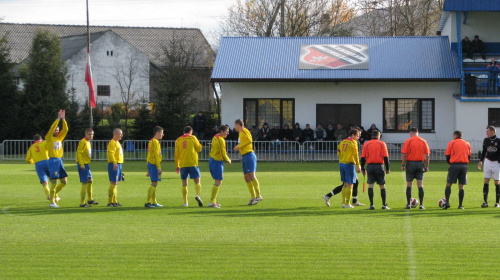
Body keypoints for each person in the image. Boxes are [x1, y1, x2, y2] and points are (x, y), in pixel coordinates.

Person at [233, 119, 263, 205]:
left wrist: (239, 146)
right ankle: (253, 197)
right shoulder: (240, 133)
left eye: (235, 125)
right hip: (244, 156)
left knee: (252, 175)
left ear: (239, 124)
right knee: (246, 177)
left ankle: (258, 196)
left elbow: (250, 140)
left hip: (249, 155)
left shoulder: (244, 130)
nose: (234, 127)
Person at [401, 127, 430, 210]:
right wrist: (426, 166)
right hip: (420, 164)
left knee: (409, 184)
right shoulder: (423, 141)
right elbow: (427, 155)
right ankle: (421, 204)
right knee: (420, 185)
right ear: (418, 132)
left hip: (410, 163)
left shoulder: (408, 141)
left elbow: (404, 155)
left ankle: (408, 204)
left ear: (411, 133)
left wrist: (403, 165)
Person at [360, 130, 390, 210]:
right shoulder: (382, 144)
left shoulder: (366, 144)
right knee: (382, 185)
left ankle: (372, 205)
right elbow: (385, 157)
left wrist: (362, 168)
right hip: (379, 166)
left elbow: (362, 158)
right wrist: (388, 168)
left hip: (370, 166)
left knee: (370, 185)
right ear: (378, 136)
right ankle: (384, 204)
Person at [175, 126, 203, 207]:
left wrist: (177, 165)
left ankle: (185, 202)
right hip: (192, 162)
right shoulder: (193, 138)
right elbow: (199, 148)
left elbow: (176, 154)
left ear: (183, 131)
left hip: (183, 163)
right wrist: (199, 144)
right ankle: (197, 195)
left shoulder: (178, 140)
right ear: (191, 131)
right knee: (197, 181)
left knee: (184, 183)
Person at [443, 131, 471, 210]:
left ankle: (447, 203)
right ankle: (460, 205)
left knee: (449, 183)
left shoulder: (451, 143)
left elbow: (447, 156)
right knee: (461, 186)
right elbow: (469, 156)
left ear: (455, 135)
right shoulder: (467, 144)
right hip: (464, 165)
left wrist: (451, 163)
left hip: (454, 165)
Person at [46, 109, 68, 208]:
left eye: (58, 130)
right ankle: (52, 202)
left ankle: (53, 195)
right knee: (54, 182)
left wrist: (63, 120)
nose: (57, 131)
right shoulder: (49, 138)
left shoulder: (59, 138)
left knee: (64, 181)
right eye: (56, 129)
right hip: (52, 160)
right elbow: (51, 129)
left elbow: (66, 130)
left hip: (59, 160)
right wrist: (58, 119)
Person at [334, 129, 361, 208]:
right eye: (357, 135)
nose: (358, 137)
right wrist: (358, 165)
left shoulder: (342, 141)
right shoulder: (353, 142)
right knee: (350, 184)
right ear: (352, 135)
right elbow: (356, 155)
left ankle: (343, 202)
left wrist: (342, 158)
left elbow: (338, 152)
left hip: (342, 163)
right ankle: (348, 203)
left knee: (345, 184)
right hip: (349, 164)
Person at [208, 125, 232, 208]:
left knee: (218, 181)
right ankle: (212, 201)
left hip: (212, 159)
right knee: (218, 181)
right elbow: (223, 152)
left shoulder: (215, 137)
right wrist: (228, 159)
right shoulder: (221, 140)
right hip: (217, 161)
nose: (227, 133)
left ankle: (213, 200)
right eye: (226, 131)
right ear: (221, 131)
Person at [477, 126, 500, 208]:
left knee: (497, 182)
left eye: (488, 131)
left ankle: (497, 202)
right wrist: (481, 161)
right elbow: (484, 151)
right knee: (486, 180)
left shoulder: (498, 141)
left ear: (493, 132)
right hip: (488, 162)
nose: (486, 133)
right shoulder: (486, 140)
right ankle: (485, 202)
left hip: (496, 163)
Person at [76, 128, 98, 208]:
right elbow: (79, 153)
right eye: (89, 134)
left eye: (92, 134)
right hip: (83, 165)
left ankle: (90, 199)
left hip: (86, 164)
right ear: (85, 134)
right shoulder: (83, 141)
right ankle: (82, 203)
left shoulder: (88, 142)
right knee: (84, 183)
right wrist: (81, 164)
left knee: (90, 180)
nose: (91, 135)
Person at [25, 134, 51, 202]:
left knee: (44, 181)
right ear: (41, 138)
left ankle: (49, 195)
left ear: (34, 140)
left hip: (38, 164)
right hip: (48, 162)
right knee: (53, 180)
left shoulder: (31, 147)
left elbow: (27, 159)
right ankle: (55, 195)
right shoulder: (44, 143)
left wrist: (33, 161)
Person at [145, 126, 164, 208]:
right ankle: (147, 202)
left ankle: (154, 202)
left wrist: (148, 168)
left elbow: (149, 155)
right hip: (154, 164)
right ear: (157, 133)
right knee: (154, 183)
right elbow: (156, 155)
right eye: (162, 133)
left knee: (154, 183)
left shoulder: (151, 141)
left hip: (151, 164)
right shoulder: (155, 142)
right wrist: (159, 167)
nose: (163, 134)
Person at [107, 128, 124, 207]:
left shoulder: (117, 142)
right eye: (120, 134)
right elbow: (111, 153)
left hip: (118, 164)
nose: (122, 135)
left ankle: (114, 201)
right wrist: (114, 163)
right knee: (113, 183)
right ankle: (110, 201)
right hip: (114, 164)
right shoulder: (113, 142)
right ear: (115, 134)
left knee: (116, 183)